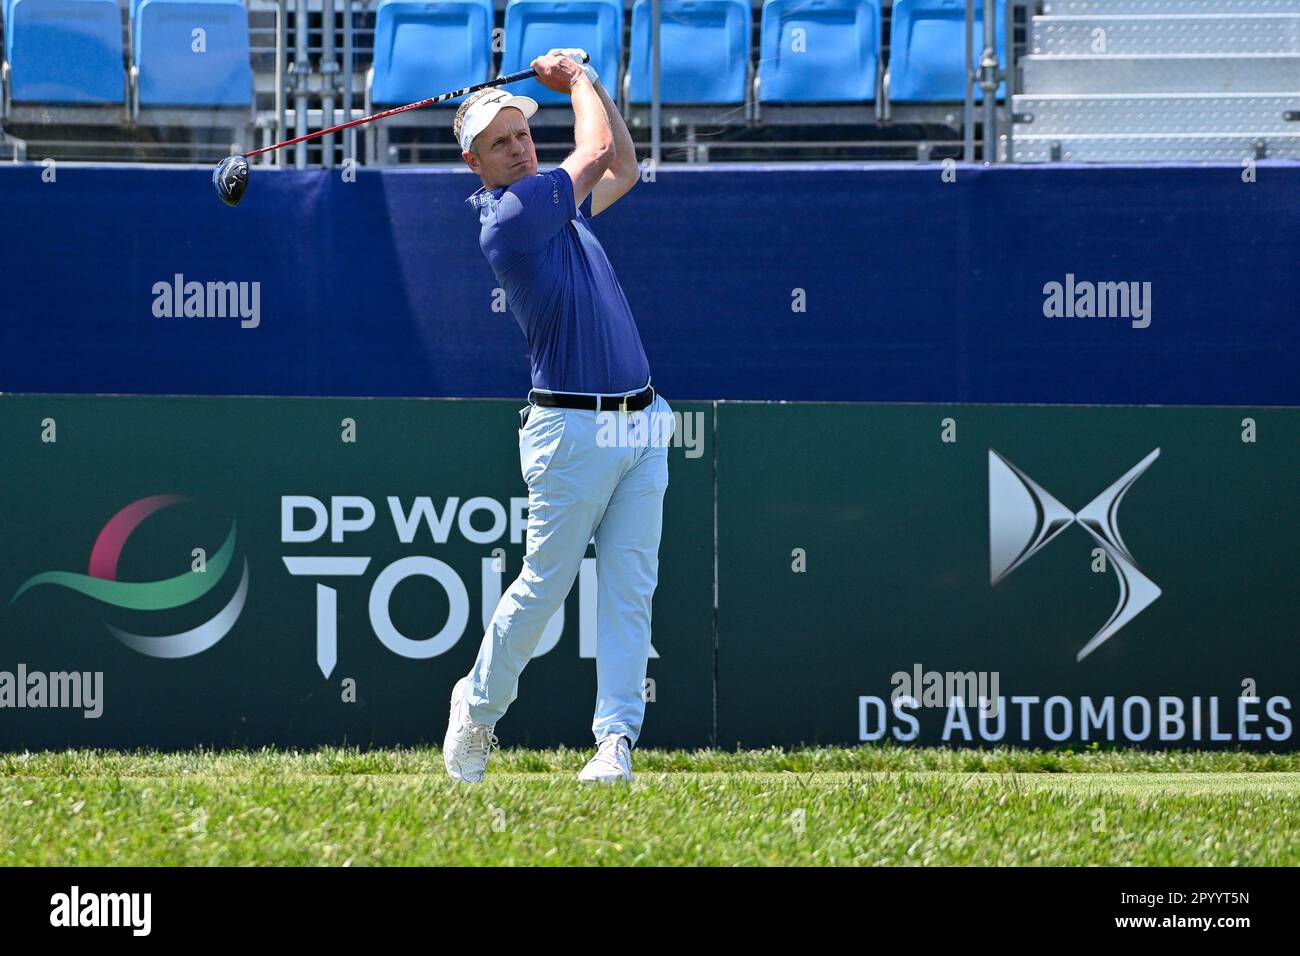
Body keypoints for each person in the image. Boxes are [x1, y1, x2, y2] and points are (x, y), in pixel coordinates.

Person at [442, 49, 673, 784]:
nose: (518, 147)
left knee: (630, 589)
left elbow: (624, 167)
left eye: (522, 134)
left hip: (640, 421)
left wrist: (593, 83)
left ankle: (614, 744)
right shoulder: (512, 217)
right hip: (569, 431)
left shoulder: (553, 203)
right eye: (500, 143)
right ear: (477, 164)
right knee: (543, 587)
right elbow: (598, 147)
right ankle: (476, 710)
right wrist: (576, 80)